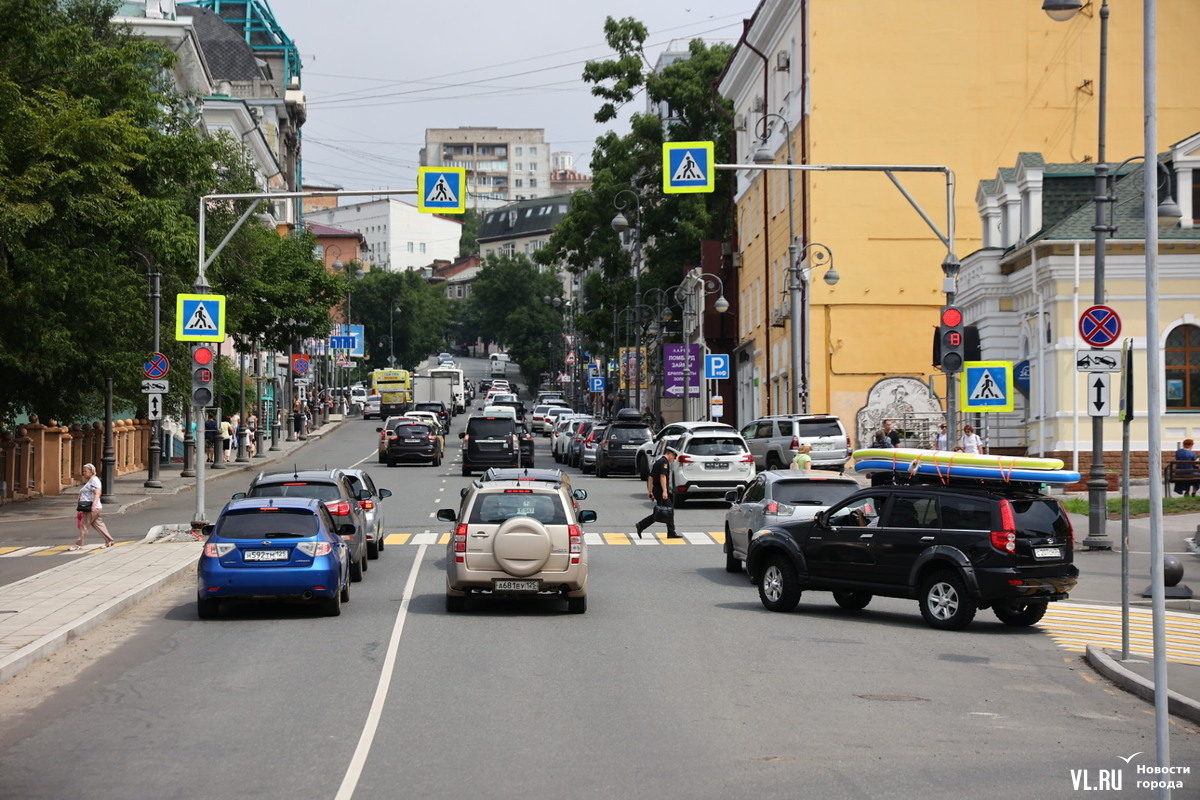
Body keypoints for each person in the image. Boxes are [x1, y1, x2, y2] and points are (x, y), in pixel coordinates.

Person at [635, 447, 680, 539]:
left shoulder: (658, 461)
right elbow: (663, 476)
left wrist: (650, 491)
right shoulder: (664, 462)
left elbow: (650, 477)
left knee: (664, 511)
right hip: (660, 491)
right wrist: (665, 491)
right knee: (667, 510)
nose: (674, 460)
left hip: (656, 490)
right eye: (674, 457)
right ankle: (641, 525)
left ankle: (670, 531)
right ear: (670, 454)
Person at [71, 463, 115, 550]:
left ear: (92, 471)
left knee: (84, 525)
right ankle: (109, 541)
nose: (84, 473)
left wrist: (93, 506)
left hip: (91, 507)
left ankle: (79, 545)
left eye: (85, 471)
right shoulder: (91, 481)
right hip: (92, 507)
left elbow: (97, 493)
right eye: (83, 471)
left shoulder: (94, 480)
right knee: (98, 524)